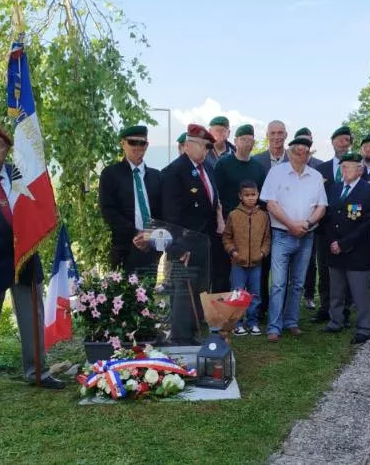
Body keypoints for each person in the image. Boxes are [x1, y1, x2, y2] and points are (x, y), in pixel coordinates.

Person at [0, 122, 65, 410]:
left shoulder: (22, 175)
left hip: (24, 258)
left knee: (32, 319)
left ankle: (38, 371)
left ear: (8, 149)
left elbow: (40, 209)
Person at [161, 123, 226, 344]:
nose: (206, 150)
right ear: (188, 145)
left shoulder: (206, 168)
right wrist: (179, 246)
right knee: (183, 291)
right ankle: (181, 337)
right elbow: (170, 214)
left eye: (208, 146)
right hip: (185, 242)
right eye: (202, 145)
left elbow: (212, 202)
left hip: (203, 240)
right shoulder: (174, 172)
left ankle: (194, 331)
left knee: (200, 289)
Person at [259, 135, 327, 342]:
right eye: (297, 151)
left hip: (306, 235)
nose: (301, 155)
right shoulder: (276, 172)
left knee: (297, 282)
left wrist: (306, 224)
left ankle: (291, 321)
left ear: (309, 155)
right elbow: (271, 204)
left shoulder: (316, 175)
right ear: (289, 152)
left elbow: (321, 206)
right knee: (278, 283)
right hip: (282, 234)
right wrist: (291, 224)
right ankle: (274, 326)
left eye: (305, 152)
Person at [321, 152, 370, 344]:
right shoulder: (335, 188)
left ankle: (364, 328)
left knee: (360, 292)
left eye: (348, 167)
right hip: (334, 249)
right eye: (342, 167)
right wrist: (332, 242)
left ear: (360, 170)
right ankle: (336, 321)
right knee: (336, 290)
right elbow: (327, 217)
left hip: (357, 251)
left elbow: (366, 223)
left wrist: (343, 244)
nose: (344, 170)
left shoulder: (368, 191)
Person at [98, 125, 164, 273]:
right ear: (123, 144)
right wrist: (136, 233)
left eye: (142, 143)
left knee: (148, 287)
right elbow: (108, 210)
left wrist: (151, 235)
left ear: (147, 145)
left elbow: (163, 210)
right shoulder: (111, 174)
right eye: (132, 142)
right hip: (124, 248)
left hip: (151, 248)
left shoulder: (157, 176)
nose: (138, 147)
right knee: (123, 288)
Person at [311, 126, 354, 324]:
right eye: (339, 140)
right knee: (324, 268)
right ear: (332, 142)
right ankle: (325, 307)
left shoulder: (355, 168)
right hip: (324, 227)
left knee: (345, 269)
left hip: (347, 228)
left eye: (346, 140)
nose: (343, 144)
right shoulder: (321, 169)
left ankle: (344, 309)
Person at [251, 120, 289, 327]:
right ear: (267, 135)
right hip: (263, 223)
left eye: (280, 133)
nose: (276, 137)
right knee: (262, 267)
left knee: (284, 270)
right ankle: (261, 307)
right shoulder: (257, 161)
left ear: (286, 135)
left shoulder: (294, 159)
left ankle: (282, 309)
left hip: (287, 223)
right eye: (273, 133)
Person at [223, 181, 271, 337]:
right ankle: (237, 323)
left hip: (256, 263)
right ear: (240, 196)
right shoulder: (233, 215)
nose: (250, 198)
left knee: (255, 294)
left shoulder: (263, 216)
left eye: (253, 194)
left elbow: (267, 238)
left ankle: (253, 322)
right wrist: (233, 251)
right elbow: (227, 237)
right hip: (238, 263)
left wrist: (262, 253)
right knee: (238, 293)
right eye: (247, 195)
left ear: (258, 195)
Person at [294, 127, 324, 311]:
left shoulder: (319, 165)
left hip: (313, 223)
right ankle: (291, 295)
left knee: (311, 262)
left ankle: (309, 295)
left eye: (308, 140)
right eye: (301, 140)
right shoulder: (289, 163)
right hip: (291, 222)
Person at [213, 124, 267, 218]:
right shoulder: (223, 164)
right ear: (235, 141)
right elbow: (215, 194)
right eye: (243, 139)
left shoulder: (259, 167)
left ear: (253, 143)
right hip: (228, 219)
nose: (247, 143)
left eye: (250, 140)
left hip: (251, 220)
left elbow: (262, 197)